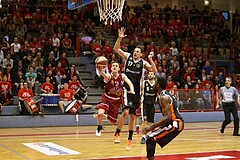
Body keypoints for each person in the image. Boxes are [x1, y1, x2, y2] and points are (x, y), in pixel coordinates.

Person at [113, 27, 157, 151]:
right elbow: (116, 49)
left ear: (141, 54)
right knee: (125, 112)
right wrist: (120, 38)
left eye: (137, 52)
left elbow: (154, 71)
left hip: (137, 92)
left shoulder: (143, 63)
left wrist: (151, 59)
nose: (135, 53)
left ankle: (129, 139)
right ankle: (117, 133)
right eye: (135, 51)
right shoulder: (128, 57)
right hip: (126, 89)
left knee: (132, 116)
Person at [142, 77, 184, 160]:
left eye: (155, 83)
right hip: (172, 123)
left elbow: (168, 117)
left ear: (158, 86)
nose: (153, 84)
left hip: (175, 123)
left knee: (150, 138)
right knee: (151, 138)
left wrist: (152, 127)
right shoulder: (165, 94)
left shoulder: (163, 97)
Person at [95, 62, 135, 136]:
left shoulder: (122, 76)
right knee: (100, 113)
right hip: (106, 98)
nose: (114, 67)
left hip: (116, 100)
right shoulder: (109, 76)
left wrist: (132, 89)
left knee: (113, 121)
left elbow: (129, 83)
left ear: (119, 69)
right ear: (111, 68)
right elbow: (104, 75)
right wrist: (100, 70)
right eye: (113, 65)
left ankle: (103, 115)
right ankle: (99, 126)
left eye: (116, 66)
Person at [140, 71, 156, 144]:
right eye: (149, 74)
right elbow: (141, 92)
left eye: (151, 74)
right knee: (144, 121)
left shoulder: (156, 84)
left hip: (152, 104)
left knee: (151, 122)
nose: (150, 75)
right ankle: (143, 136)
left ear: (154, 75)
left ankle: (149, 136)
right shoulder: (144, 83)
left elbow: (158, 94)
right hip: (145, 104)